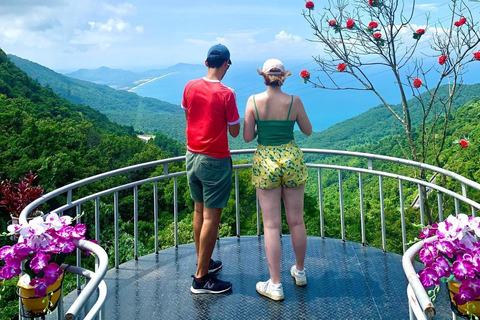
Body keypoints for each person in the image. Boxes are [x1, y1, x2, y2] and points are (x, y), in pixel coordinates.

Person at [243, 58, 312, 301]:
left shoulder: (253, 101)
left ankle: (275, 285)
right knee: (297, 221)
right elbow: (307, 130)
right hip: (292, 159)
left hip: (266, 162)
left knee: (272, 225)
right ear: (284, 77)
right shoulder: (294, 101)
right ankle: (300, 272)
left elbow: (248, 137)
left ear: (264, 76)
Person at [181, 44, 240, 294]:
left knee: (198, 211)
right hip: (214, 160)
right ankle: (201, 278)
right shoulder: (227, 93)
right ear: (227, 63)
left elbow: (188, 116)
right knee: (211, 218)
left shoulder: (190, 86)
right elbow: (235, 131)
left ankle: (203, 262)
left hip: (191, 156)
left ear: (206, 63)